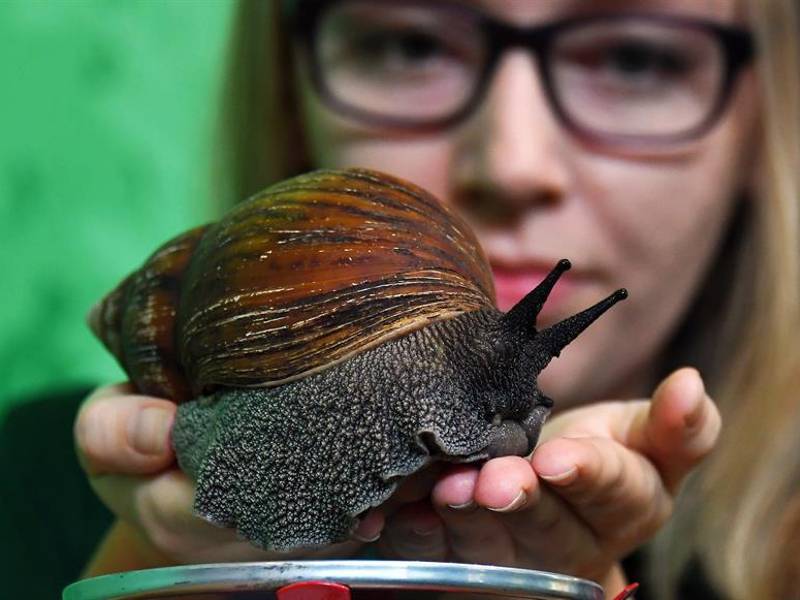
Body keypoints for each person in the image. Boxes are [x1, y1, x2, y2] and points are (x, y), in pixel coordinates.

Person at [71, 1, 800, 598]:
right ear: (291, 99)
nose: (512, 164)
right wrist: (165, 571)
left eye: (634, 59)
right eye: (411, 44)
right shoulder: (39, 493)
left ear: (766, 121)